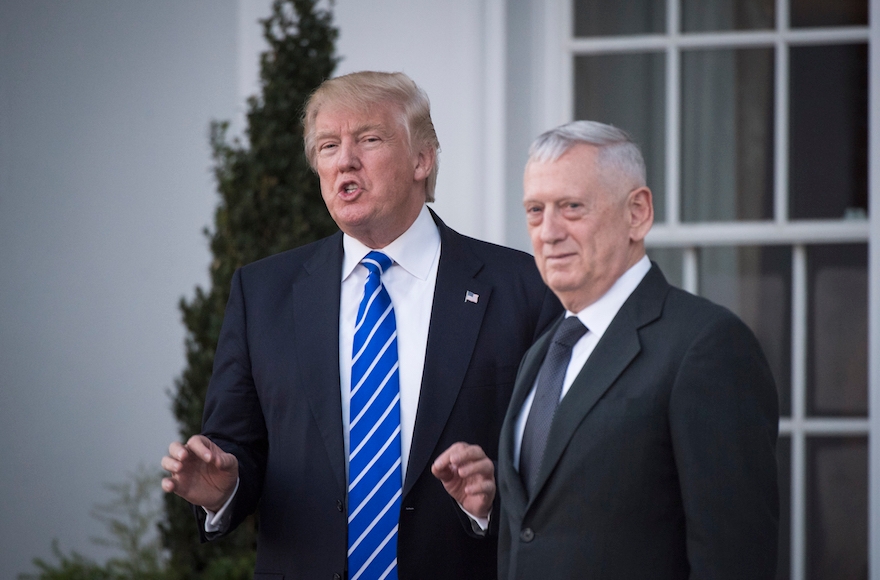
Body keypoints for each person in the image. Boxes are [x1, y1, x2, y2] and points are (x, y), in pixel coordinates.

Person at [160, 71, 561, 580]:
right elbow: (237, 448)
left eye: (369, 140)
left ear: (422, 159)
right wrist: (224, 488)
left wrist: (492, 499)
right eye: (328, 146)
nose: (345, 160)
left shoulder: (523, 288)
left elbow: (558, 473)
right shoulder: (263, 293)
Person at [457, 120, 779, 578]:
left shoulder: (705, 347)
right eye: (534, 210)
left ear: (638, 213)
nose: (548, 232)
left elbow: (734, 560)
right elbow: (541, 531)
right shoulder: (545, 351)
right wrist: (491, 506)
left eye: (572, 207)